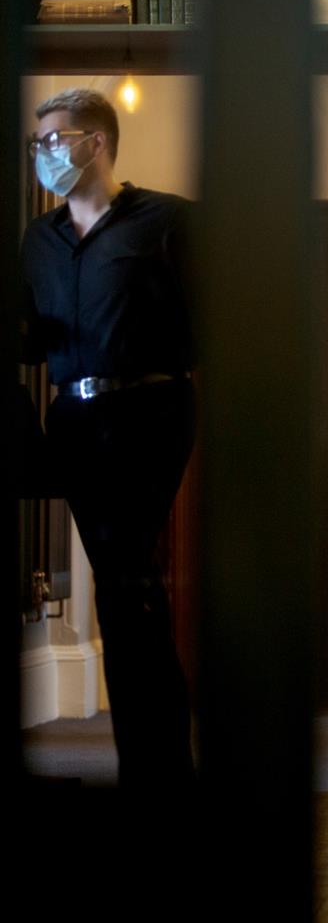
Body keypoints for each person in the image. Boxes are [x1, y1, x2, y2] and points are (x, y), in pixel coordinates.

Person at [21, 88, 196, 790]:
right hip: (75, 423)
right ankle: (156, 766)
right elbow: (31, 335)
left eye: (54, 140)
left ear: (96, 142)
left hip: (149, 413)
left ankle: (157, 767)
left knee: (128, 582)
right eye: (38, 145)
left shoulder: (168, 219)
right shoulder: (40, 240)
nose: (45, 154)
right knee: (127, 590)